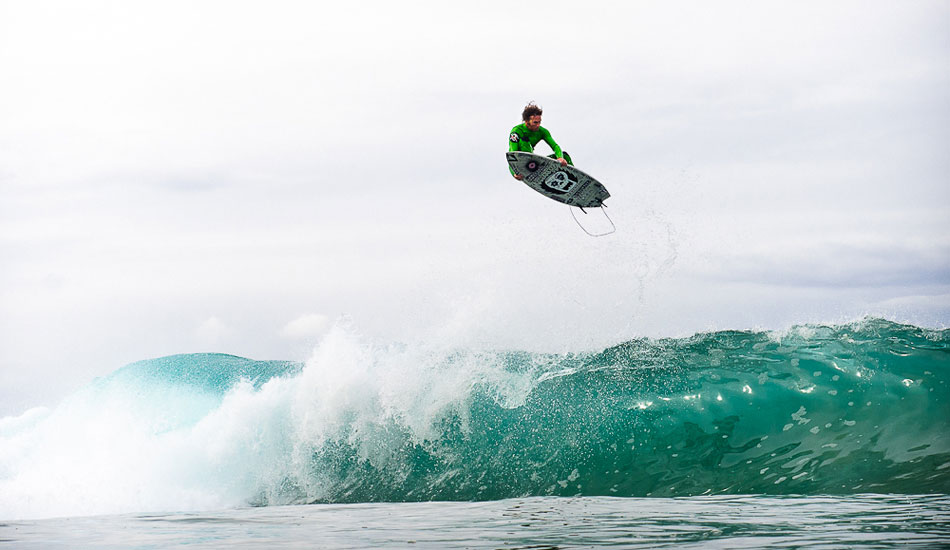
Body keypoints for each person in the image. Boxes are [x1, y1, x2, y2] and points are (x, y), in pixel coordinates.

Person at [508, 102, 573, 180]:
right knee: (524, 141)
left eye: (539, 122)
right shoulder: (516, 131)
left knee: (564, 155)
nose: (538, 125)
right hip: (521, 164)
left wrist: (560, 158)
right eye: (535, 122)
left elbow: (555, 146)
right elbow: (512, 155)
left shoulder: (542, 131)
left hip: (534, 163)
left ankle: (574, 178)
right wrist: (514, 173)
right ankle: (529, 167)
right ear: (527, 121)